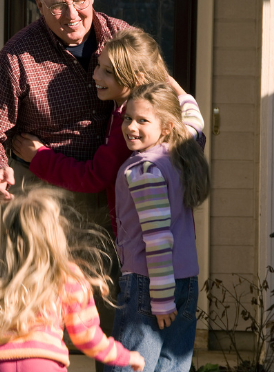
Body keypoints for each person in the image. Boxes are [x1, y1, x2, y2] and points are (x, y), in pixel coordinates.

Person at [0, 0, 131, 211]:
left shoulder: (121, 38)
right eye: (58, 6)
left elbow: (165, 98)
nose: (72, 14)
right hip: (43, 200)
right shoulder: (17, 57)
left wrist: (187, 141)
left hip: (116, 197)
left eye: (79, 0)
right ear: (40, 6)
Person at [11, 28, 204, 236]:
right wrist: (175, 87)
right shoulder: (163, 116)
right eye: (98, 66)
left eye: (107, 71)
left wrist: (39, 156)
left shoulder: (130, 126)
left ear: (137, 79)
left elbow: (93, 176)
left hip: (145, 248)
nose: (95, 75)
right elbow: (195, 121)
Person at [0, 188, 145, 372]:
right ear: (56, 234)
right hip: (44, 363)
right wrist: (125, 356)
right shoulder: (66, 276)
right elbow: (88, 337)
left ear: (8, 236)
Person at [106, 83, 210, 372]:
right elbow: (194, 119)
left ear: (165, 127)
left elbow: (158, 238)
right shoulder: (179, 149)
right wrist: (167, 78)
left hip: (150, 284)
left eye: (142, 120)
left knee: (131, 366)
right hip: (186, 282)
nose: (131, 127)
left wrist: (161, 300)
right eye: (128, 118)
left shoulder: (144, 170)